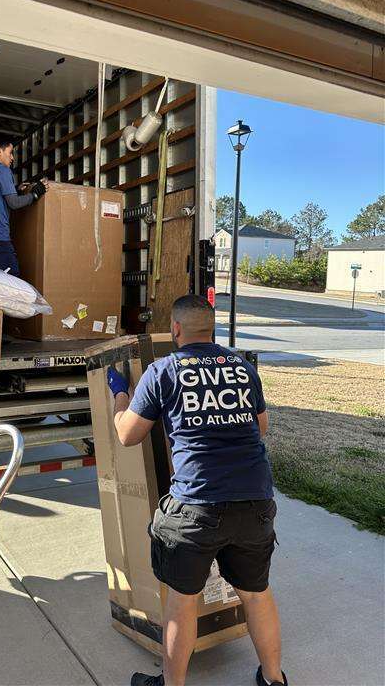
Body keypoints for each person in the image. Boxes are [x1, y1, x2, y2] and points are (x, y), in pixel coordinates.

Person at [106, 294, 286, 686]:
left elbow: (126, 435)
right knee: (256, 594)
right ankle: (274, 679)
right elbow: (260, 429)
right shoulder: (241, 368)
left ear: (175, 330)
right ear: (213, 329)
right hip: (254, 501)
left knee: (181, 602)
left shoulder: (163, 371)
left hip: (196, 506)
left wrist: (119, 393)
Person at [0, 140, 48, 276]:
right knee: (12, 282)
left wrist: (15, 190)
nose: (12, 158)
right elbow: (14, 203)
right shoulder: (2, 170)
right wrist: (35, 194)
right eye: (10, 152)